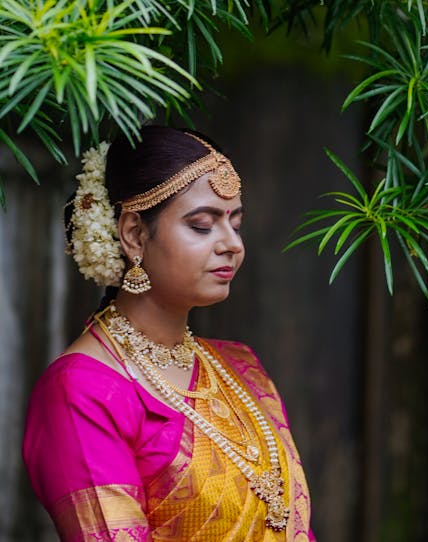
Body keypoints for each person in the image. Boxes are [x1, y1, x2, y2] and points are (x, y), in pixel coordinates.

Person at [23, 126, 315, 541]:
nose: (232, 244)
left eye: (236, 223)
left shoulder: (242, 367)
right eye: (202, 226)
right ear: (134, 235)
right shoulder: (82, 392)